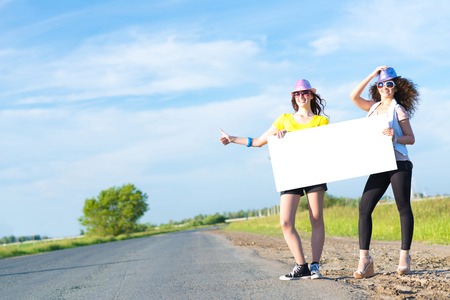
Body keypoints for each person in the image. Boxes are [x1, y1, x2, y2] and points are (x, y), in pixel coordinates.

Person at [220, 79, 329, 280]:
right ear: (293, 97)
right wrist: (233, 139)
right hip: (290, 173)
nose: (301, 96)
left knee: (316, 218)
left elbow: (324, 146)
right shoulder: (284, 119)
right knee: (286, 222)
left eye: (305, 92)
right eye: (297, 94)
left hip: (314, 172)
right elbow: (260, 142)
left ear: (311, 95)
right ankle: (301, 266)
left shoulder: (321, 121)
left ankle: (315, 266)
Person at [349, 66, 420, 278]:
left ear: (395, 88)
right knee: (364, 207)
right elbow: (353, 96)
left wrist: (395, 136)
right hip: (379, 164)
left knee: (403, 207)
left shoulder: (399, 110)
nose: (385, 87)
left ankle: (404, 257)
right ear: (377, 87)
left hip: (398, 162)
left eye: (389, 84)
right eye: (381, 84)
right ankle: (365, 259)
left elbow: (411, 138)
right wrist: (372, 74)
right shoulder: (372, 107)